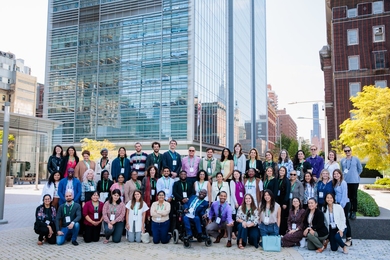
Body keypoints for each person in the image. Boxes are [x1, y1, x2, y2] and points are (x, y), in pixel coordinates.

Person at [340, 146, 362, 221]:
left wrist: (355, 175)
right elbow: (342, 170)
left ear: (351, 151)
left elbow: (360, 169)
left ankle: (354, 211)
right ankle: (348, 210)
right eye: (345, 151)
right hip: (346, 182)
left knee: (354, 197)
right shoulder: (342, 160)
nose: (347, 152)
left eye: (348, 151)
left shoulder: (356, 159)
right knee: (347, 197)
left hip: (354, 181)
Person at [333, 169, 352, 247]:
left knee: (345, 221)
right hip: (338, 204)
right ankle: (339, 237)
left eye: (337, 174)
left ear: (340, 174)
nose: (336, 175)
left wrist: (341, 206)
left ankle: (349, 239)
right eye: (334, 174)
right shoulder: (336, 183)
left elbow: (344, 195)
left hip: (344, 204)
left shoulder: (343, 183)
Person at [156, 167, 175, 232]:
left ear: (169, 172)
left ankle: (169, 230)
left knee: (170, 215)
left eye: (167, 171)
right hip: (162, 201)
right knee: (162, 214)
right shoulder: (159, 180)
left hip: (170, 200)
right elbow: (158, 191)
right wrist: (164, 199)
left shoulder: (172, 180)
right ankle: (161, 229)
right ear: (163, 172)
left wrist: (171, 197)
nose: (166, 172)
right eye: (165, 171)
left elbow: (174, 191)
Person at [141, 165, 159, 234]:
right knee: (147, 212)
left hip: (156, 198)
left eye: (153, 170)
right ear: (149, 171)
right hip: (147, 199)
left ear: (155, 171)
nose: (152, 171)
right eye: (151, 170)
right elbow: (142, 189)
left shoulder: (158, 179)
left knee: (154, 212)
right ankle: (148, 229)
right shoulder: (145, 179)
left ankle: (154, 229)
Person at [276, 166, 291, 236]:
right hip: (277, 200)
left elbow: (287, 192)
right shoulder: (277, 179)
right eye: (280, 170)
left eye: (283, 171)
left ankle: (282, 232)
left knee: (282, 217)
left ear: (285, 172)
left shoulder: (287, 181)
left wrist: (285, 202)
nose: (281, 172)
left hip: (283, 201)